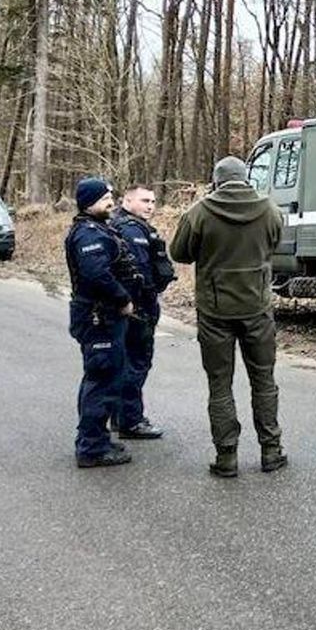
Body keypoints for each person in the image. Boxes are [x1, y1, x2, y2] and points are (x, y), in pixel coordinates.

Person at [169, 156, 286, 477]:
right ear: (246, 178)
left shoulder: (199, 212)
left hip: (214, 310)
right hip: (258, 309)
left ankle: (226, 457)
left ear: (216, 180)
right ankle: (271, 451)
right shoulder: (270, 210)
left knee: (220, 384)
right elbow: (276, 243)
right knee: (264, 380)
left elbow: (179, 252)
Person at [65, 177, 136, 468]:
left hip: (102, 316)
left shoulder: (98, 229)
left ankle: (96, 438)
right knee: (102, 379)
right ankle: (92, 448)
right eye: (105, 198)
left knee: (101, 377)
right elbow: (97, 274)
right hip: (99, 317)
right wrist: (122, 299)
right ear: (89, 202)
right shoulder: (88, 234)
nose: (112, 202)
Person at [110, 184, 176, 440]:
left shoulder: (124, 226)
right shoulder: (130, 231)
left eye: (153, 201)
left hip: (133, 305)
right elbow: (137, 274)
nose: (150, 205)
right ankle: (131, 420)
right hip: (138, 307)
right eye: (144, 200)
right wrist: (144, 300)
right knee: (136, 362)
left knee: (128, 362)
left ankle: (120, 416)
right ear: (127, 201)